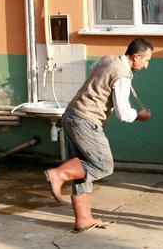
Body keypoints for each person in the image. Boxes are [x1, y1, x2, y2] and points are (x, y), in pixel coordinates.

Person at [44, 38, 153, 232]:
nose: (146, 66)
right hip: (85, 121)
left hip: (71, 115)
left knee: (81, 167)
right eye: (146, 61)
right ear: (136, 57)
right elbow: (122, 112)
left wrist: (100, 87)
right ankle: (58, 174)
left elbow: (92, 68)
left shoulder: (108, 59)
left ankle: (83, 219)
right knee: (102, 165)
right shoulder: (122, 76)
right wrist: (139, 116)